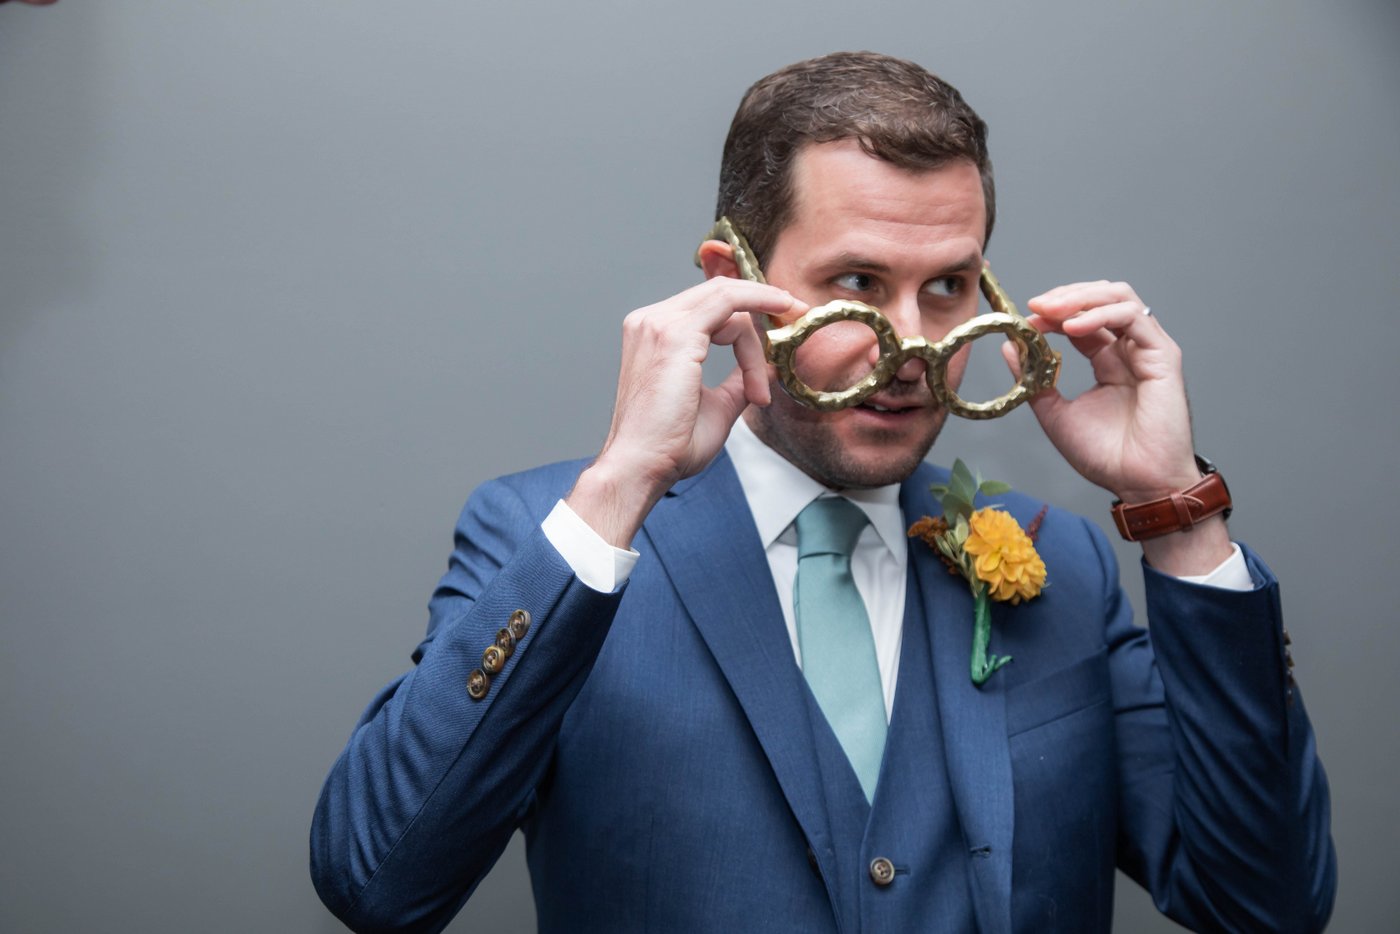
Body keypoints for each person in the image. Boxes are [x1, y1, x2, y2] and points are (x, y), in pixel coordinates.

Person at [310, 51, 1335, 933]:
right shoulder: (556, 541)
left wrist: (1179, 518)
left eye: (946, 289)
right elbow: (378, 882)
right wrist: (619, 486)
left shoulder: (1061, 564)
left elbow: (1264, 907)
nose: (912, 351)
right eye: (855, 284)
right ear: (733, 282)